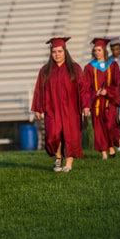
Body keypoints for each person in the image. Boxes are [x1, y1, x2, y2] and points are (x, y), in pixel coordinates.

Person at [31, 37, 90, 172]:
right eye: (54, 52)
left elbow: (84, 88)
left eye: (60, 51)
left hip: (71, 109)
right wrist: (38, 108)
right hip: (52, 109)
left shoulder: (74, 68)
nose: (57, 55)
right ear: (51, 53)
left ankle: (68, 163)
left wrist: (86, 105)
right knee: (53, 135)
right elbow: (39, 90)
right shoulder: (45, 71)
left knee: (70, 135)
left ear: (65, 52)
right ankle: (58, 157)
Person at [83, 38, 120, 159]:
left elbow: (117, 84)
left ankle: (110, 146)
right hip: (97, 103)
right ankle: (104, 152)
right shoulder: (89, 67)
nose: (97, 53)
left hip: (109, 101)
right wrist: (90, 100)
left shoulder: (113, 65)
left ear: (104, 50)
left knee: (110, 125)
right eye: (95, 50)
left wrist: (108, 91)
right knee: (98, 127)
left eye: (99, 50)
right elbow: (86, 87)